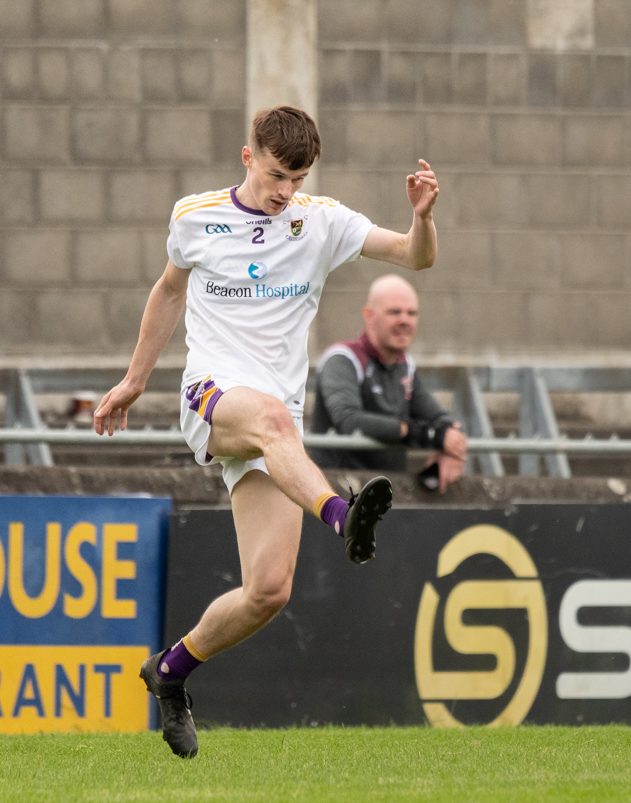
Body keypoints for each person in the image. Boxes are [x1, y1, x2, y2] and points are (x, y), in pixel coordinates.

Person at [92, 106, 439, 759]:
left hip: (274, 433)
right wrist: (136, 378)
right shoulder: (195, 216)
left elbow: (413, 258)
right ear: (248, 156)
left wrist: (422, 217)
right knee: (279, 421)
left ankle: (170, 672)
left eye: (298, 176)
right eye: (278, 174)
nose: (285, 191)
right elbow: (169, 291)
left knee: (269, 590)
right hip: (213, 398)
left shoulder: (321, 219)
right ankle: (344, 517)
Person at [310, 275, 467, 492]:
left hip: (388, 494)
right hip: (337, 494)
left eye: (411, 313)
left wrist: (451, 450)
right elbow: (349, 420)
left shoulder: (406, 366)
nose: (405, 320)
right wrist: (425, 436)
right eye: (394, 312)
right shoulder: (343, 359)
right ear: (369, 315)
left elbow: (439, 418)